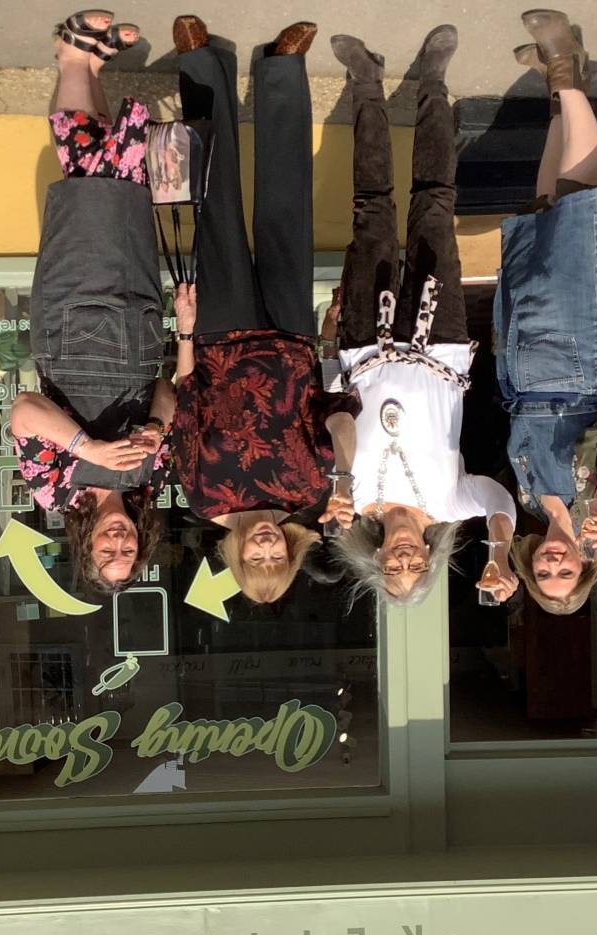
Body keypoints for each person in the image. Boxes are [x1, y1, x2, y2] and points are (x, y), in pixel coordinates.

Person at [167, 15, 360, 605]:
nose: (268, 548)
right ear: (292, 552)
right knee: (286, 202)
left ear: (237, 556)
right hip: (292, 335)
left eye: (258, 559)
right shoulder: (309, 492)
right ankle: (283, 68)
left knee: (215, 203)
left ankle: (201, 67)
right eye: (278, 557)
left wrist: (185, 332)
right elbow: (339, 415)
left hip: (219, 335)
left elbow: (184, 403)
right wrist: (345, 476)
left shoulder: (204, 497)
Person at [328, 26, 519, 609]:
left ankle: (366, 83)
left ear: (378, 557)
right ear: (430, 559)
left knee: (371, 213)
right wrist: (500, 554)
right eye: (415, 567)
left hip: (364, 341)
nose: (405, 559)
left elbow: (335, 417)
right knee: (434, 207)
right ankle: (433, 82)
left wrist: (338, 477)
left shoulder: (352, 501)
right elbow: (500, 502)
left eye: (394, 567)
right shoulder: (449, 502)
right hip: (440, 346)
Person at [10, 10, 174, 595]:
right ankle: (88, 64)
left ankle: (73, 57)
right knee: (116, 191)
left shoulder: (55, 490)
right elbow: (167, 392)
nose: (117, 543)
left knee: (94, 188)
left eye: (107, 552)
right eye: (127, 550)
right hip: (135, 315)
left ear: (86, 546)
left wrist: (89, 446)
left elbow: (25, 413)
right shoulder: (148, 483)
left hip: (71, 315)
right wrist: (157, 426)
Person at [496, 9, 597, 614]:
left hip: (525, 356)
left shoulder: (534, 502)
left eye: (545, 574)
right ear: (587, 566)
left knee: (545, 212)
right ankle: (564, 64)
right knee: (584, 210)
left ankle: (556, 88)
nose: (553, 563)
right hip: (581, 358)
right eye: (566, 573)